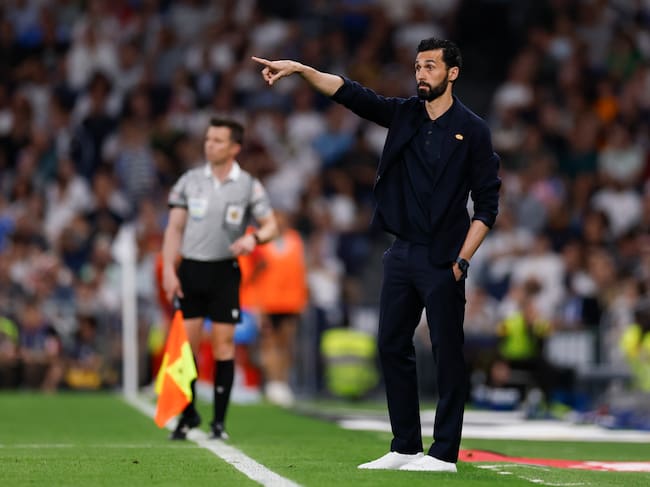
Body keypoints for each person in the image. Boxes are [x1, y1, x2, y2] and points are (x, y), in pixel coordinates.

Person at [253, 37, 500, 472]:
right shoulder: (405, 114)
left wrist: (462, 261)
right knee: (389, 345)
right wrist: (302, 69)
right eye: (417, 67)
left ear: (452, 73)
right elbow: (352, 94)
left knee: (447, 352)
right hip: (402, 252)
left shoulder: (473, 129)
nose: (421, 74)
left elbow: (487, 205)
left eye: (429, 67)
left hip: (445, 260)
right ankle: (405, 446)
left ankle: (443, 453)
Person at [161, 118, 278, 440]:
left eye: (217, 140)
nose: (209, 144)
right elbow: (174, 228)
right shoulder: (190, 180)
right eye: (208, 138)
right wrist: (170, 269)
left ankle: (219, 423)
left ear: (234, 148)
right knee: (187, 347)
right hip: (191, 271)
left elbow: (271, 226)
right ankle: (187, 414)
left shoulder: (248, 185)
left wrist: (253, 240)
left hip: (224, 272)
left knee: (224, 345)